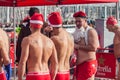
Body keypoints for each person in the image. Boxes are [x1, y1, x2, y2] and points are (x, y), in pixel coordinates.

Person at [18, 13, 58, 80]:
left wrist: (20, 78)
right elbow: (55, 63)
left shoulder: (27, 40)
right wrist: (53, 78)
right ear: (41, 26)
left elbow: (22, 62)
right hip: (46, 74)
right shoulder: (50, 41)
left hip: (34, 75)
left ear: (30, 25)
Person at [47, 12, 74, 80]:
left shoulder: (54, 39)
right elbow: (71, 53)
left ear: (51, 26)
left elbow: (45, 55)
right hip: (66, 72)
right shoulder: (70, 36)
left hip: (56, 73)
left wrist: (46, 33)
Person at [73, 11, 99, 80]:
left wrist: (78, 46)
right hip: (79, 65)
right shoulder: (77, 32)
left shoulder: (91, 31)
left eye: (79, 21)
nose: (77, 23)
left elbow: (94, 47)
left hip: (88, 64)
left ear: (85, 20)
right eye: (76, 22)